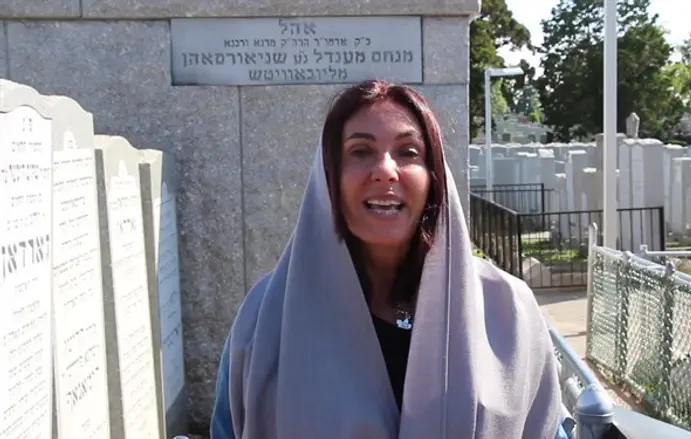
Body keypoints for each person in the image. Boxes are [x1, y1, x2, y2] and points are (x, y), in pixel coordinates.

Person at [210, 79, 570, 438]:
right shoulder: (267, 317)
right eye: (360, 151)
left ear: (434, 178)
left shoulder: (509, 311)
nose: (385, 169)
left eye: (408, 152)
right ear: (328, 177)